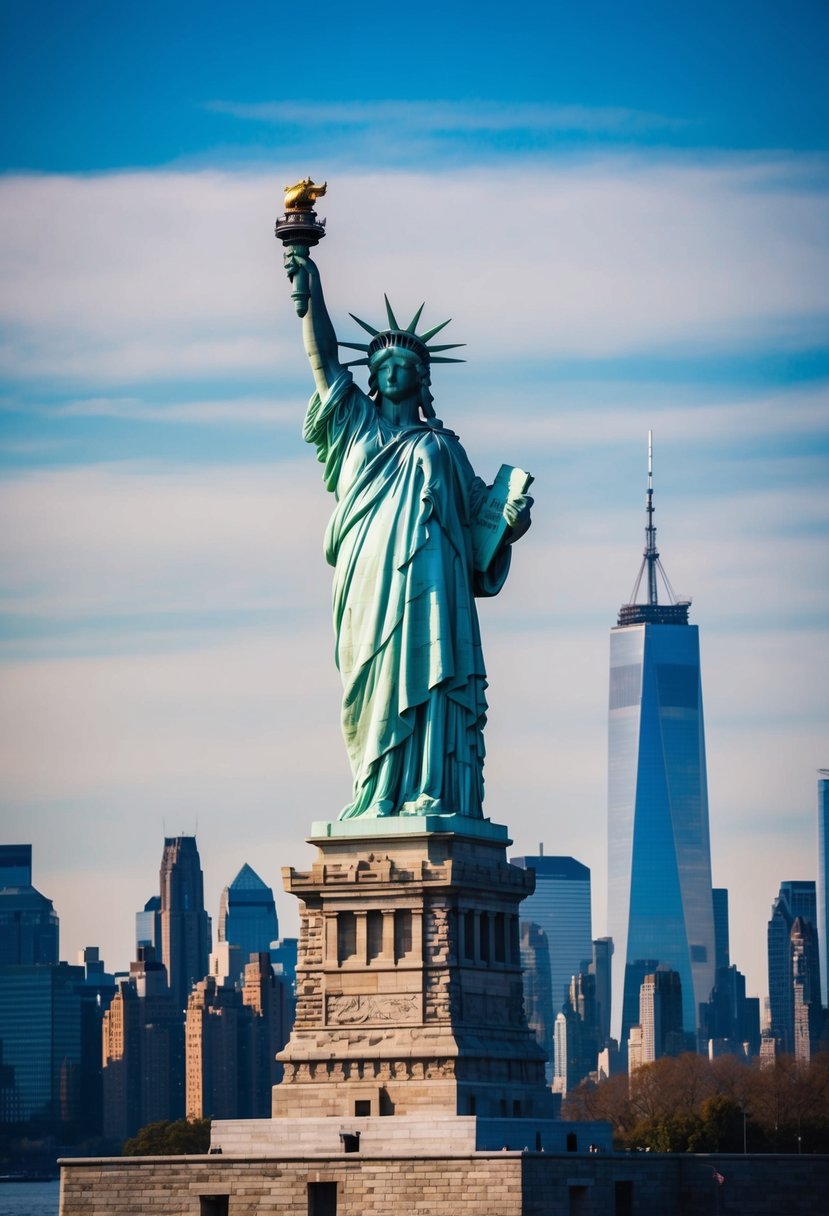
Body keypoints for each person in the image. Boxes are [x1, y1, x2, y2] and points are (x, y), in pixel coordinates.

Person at [285, 249, 532, 819]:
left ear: (421, 380)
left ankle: (430, 789)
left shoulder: (444, 448)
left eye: (406, 365)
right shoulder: (354, 425)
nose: (394, 370)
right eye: (385, 363)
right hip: (369, 582)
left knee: (431, 674)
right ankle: (375, 791)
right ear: (372, 377)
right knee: (371, 683)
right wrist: (310, 298)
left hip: (434, 584)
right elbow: (323, 362)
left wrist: (513, 523)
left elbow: (480, 532)